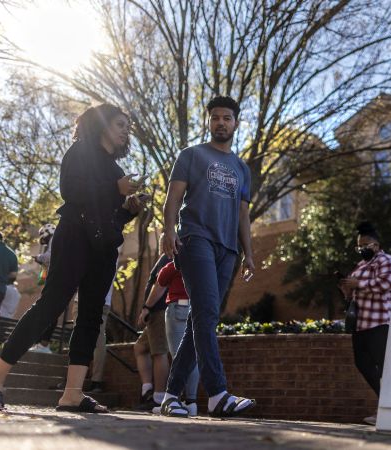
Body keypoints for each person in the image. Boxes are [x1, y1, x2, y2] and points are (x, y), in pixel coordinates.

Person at [0, 104, 145, 413]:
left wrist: (128, 210)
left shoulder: (117, 170)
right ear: (103, 124)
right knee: (50, 306)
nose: (125, 130)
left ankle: (72, 394)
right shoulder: (80, 152)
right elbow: (71, 191)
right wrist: (114, 188)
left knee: (91, 316)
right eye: (120, 124)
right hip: (74, 237)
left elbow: (110, 217)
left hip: (104, 247)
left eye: (127, 126)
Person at [158, 95, 256, 418]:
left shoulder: (242, 168)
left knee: (203, 318)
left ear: (236, 123)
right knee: (206, 313)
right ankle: (217, 393)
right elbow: (173, 197)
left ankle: (170, 396)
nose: (221, 123)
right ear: (209, 121)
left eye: (227, 118)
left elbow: (243, 216)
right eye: (215, 118)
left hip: (227, 249)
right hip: (195, 238)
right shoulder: (191, 155)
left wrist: (249, 254)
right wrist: (167, 230)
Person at [338, 221, 391, 425]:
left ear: (376, 245)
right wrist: (347, 289)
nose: (362, 249)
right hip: (360, 324)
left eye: (365, 245)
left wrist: (358, 284)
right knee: (362, 364)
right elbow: (354, 293)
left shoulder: (386, 260)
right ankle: (387, 405)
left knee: (383, 368)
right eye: (359, 246)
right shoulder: (360, 266)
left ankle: (387, 410)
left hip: (380, 322)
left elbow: (387, 283)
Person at [147, 255, 200, 416]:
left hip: (178, 307)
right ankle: (190, 402)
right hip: (197, 307)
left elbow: (160, 283)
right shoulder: (204, 261)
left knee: (179, 355)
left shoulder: (177, 262)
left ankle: (173, 400)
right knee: (192, 355)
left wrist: (146, 307)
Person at [133, 255, 172, 411]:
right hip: (156, 312)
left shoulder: (169, 256)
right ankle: (147, 390)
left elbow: (159, 284)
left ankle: (158, 398)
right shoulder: (165, 257)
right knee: (140, 348)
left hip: (160, 310)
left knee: (159, 352)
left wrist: (147, 308)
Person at [31, 223, 57, 353]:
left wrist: (39, 258)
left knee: (46, 310)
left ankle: (42, 344)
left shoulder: (55, 238)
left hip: (57, 278)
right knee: (52, 311)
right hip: (65, 278)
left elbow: (50, 255)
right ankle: (44, 344)